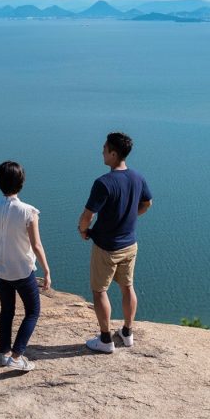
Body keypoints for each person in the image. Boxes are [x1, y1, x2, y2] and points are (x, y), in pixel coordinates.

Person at [0, 161, 52, 371]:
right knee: (33, 311)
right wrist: (46, 269)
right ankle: (17, 356)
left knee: (7, 310)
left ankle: (4, 353)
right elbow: (36, 245)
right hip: (22, 271)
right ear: (22, 182)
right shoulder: (29, 212)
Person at [78, 132, 152, 353]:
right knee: (127, 286)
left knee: (100, 291)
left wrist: (83, 231)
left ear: (113, 153)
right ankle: (127, 333)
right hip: (129, 245)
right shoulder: (138, 177)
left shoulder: (104, 183)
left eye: (105, 148)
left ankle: (105, 340)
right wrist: (130, 217)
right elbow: (148, 202)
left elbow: (88, 215)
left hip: (107, 247)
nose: (101, 151)